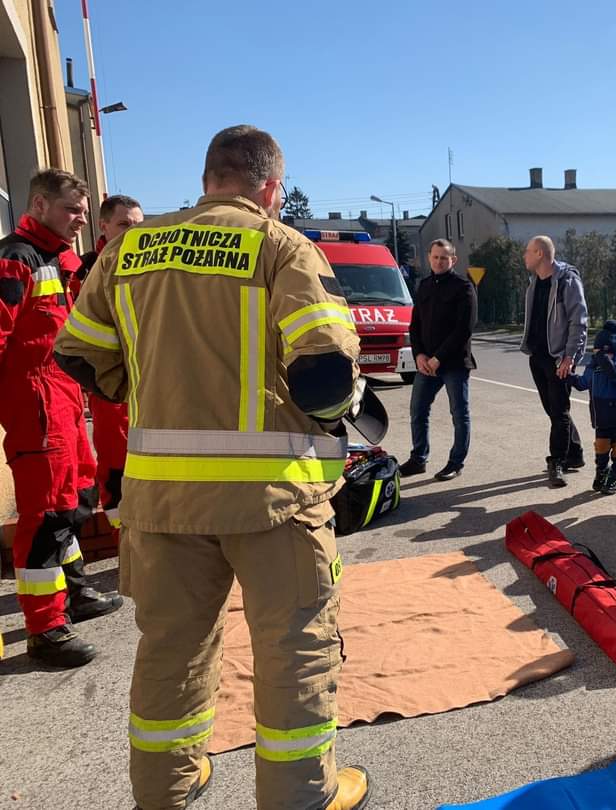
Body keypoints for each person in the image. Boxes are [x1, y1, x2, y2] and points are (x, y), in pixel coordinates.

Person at [54, 126, 371, 809]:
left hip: (162, 500)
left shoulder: (130, 248)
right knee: (293, 650)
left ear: (207, 180)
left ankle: (165, 790)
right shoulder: (281, 246)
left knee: (172, 650)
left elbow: (78, 354)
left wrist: (152, 388)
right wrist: (345, 408)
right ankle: (299, 796)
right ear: (271, 188)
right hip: (273, 501)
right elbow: (324, 375)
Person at [0, 168, 122, 669]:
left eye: (83, 211)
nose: (80, 220)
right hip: (35, 408)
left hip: (65, 402)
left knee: (76, 500)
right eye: (72, 209)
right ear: (39, 205)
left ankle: (73, 592)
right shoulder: (15, 260)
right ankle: (45, 630)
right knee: (46, 515)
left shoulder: (60, 260)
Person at [77, 195, 145, 528]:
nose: (132, 231)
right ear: (103, 226)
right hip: (111, 387)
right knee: (117, 465)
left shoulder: (151, 267)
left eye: (138, 225)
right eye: (124, 224)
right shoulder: (87, 270)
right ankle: (124, 538)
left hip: (149, 382)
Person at [400, 238, 477, 481]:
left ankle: (456, 462)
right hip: (426, 364)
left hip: (453, 364)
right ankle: (418, 459)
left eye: (444, 258)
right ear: (429, 257)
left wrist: (438, 358)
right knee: (418, 410)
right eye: (435, 257)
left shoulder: (463, 287)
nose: (439, 261)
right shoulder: (424, 286)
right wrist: (419, 355)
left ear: (453, 260)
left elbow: (463, 329)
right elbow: (415, 325)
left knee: (459, 414)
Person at [520, 235, 588, 487]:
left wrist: (570, 357)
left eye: (528, 251)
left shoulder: (567, 281)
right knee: (554, 410)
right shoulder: (534, 283)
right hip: (537, 356)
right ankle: (575, 453)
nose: (525, 256)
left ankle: (557, 462)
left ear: (540, 253)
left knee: (559, 412)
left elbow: (579, 321)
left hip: (559, 358)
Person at [569, 319, 616, 495]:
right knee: (601, 448)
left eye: (607, 352)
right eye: (599, 352)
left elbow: (615, 374)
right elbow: (583, 383)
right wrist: (567, 376)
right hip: (601, 417)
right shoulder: (593, 364)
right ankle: (602, 472)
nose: (604, 356)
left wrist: (603, 357)